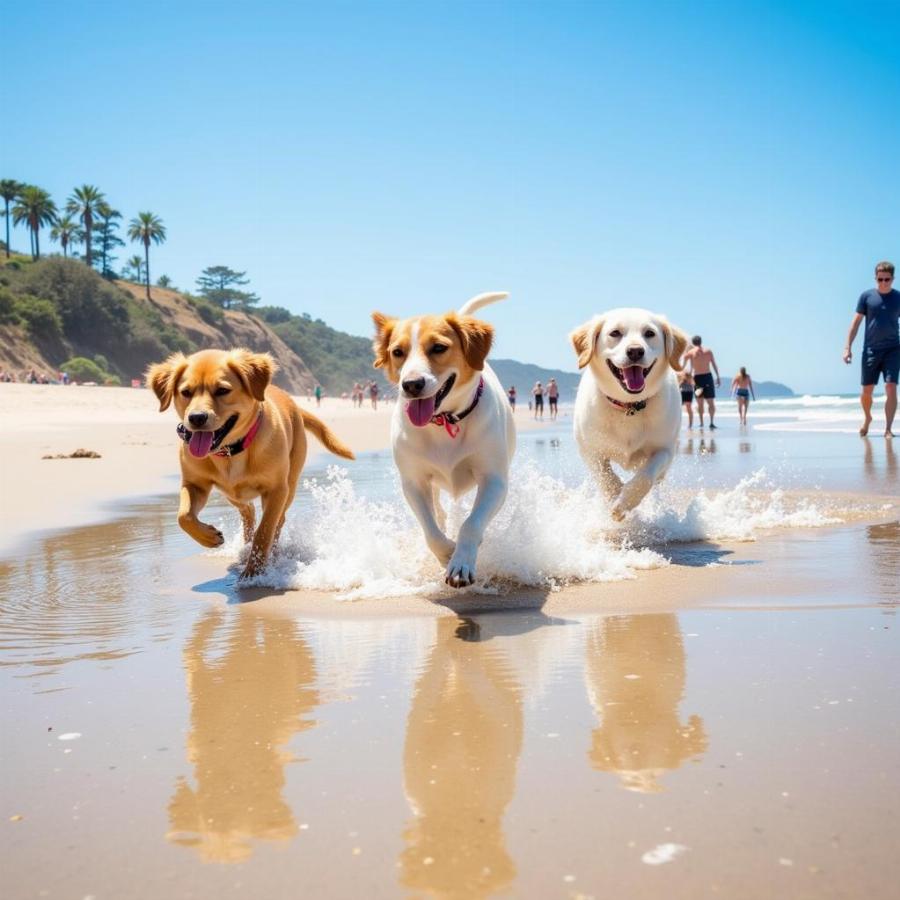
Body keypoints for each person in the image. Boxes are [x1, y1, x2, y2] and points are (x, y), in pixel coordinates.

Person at [843, 261, 899, 438]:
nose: (883, 283)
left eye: (887, 280)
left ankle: (888, 428)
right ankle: (867, 418)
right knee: (866, 392)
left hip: (893, 349)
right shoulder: (866, 297)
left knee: (891, 386)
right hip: (871, 350)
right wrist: (847, 347)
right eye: (880, 279)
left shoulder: (898, 297)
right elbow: (856, 323)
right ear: (875, 277)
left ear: (893, 279)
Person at [682, 335, 721, 429]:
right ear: (701, 341)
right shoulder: (708, 351)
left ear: (693, 342)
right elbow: (714, 364)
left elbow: (683, 364)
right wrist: (718, 377)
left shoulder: (690, 353)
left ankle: (701, 422)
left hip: (697, 379)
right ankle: (711, 422)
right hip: (708, 377)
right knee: (710, 402)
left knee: (700, 403)